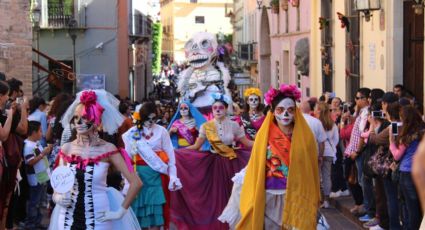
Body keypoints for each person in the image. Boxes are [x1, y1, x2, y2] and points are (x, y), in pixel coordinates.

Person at [49, 90, 142, 230]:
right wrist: (58, 198)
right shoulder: (67, 148)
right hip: (67, 218)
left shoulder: (108, 149)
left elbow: (136, 183)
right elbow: (58, 184)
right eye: (76, 118)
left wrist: (120, 212)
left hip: (99, 218)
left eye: (84, 117)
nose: (79, 123)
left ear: (95, 119)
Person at [234, 84, 321, 229]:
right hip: (268, 193)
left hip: (296, 194)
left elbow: (311, 167)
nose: (285, 115)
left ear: (296, 112)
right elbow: (256, 163)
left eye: (290, 110)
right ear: (273, 112)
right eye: (280, 110)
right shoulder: (264, 135)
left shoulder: (306, 137)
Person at [171, 93, 253, 229]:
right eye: (215, 108)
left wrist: (263, 143)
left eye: (221, 107)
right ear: (212, 110)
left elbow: (247, 142)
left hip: (232, 162)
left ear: (226, 109)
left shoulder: (234, 125)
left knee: (234, 193)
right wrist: (178, 152)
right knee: (217, 196)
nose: (218, 110)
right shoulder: (206, 126)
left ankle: (236, 224)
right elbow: (196, 147)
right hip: (214, 164)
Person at [123, 102, 182, 230]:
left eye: (154, 118)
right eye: (148, 118)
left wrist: (173, 176)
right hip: (138, 178)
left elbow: (170, 155)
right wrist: (128, 178)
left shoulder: (162, 131)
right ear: (142, 117)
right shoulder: (132, 132)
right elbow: (127, 158)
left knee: (156, 215)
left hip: (156, 177)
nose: (151, 121)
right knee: (139, 214)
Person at [389, 105, 424, 230]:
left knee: (411, 207)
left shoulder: (408, 135)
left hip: (407, 172)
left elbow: (397, 156)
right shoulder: (422, 132)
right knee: (420, 207)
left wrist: (392, 142)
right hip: (421, 171)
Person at [23, 121, 53, 229]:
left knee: (39, 202)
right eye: (40, 131)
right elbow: (30, 161)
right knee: (34, 203)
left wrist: (46, 151)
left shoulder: (36, 142)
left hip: (42, 177)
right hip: (35, 179)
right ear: (33, 132)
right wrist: (43, 154)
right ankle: (30, 224)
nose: (42, 133)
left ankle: (37, 222)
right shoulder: (27, 145)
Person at [314, 102, 339, 209]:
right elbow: (336, 140)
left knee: (318, 177)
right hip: (329, 153)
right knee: (326, 176)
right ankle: (327, 200)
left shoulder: (316, 123)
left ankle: (320, 199)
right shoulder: (332, 124)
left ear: (319, 110)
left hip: (318, 152)